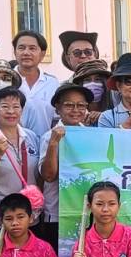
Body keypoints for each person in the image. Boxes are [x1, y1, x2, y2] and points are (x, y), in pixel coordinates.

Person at [0, 88, 43, 238]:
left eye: (16, 107)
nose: (11, 111)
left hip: (29, 214)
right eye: (5, 106)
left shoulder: (31, 137)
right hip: (0, 216)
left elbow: (38, 174)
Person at [36, 83, 94, 246]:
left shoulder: (91, 136)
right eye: (69, 105)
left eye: (81, 105)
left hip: (85, 211)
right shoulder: (49, 137)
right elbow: (48, 176)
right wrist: (54, 143)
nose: (76, 110)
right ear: (58, 108)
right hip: (57, 212)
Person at [12, 30, 61, 136]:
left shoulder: (52, 83)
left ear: (42, 54)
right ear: (15, 52)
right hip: (13, 146)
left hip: (45, 146)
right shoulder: (6, 81)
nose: (26, 52)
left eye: (32, 48)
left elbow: (56, 118)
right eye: (21, 48)